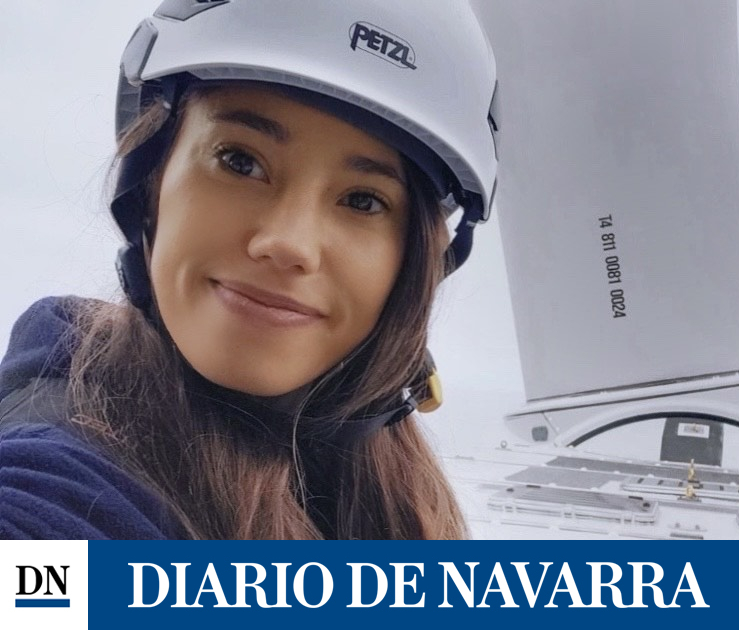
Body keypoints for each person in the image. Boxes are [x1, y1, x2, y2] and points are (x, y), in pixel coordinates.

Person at [0, 0, 498, 539]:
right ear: (151, 184)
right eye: (240, 161)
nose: (288, 243)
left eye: (363, 200)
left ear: (417, 260)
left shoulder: (387, 487)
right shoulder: (59, 485)